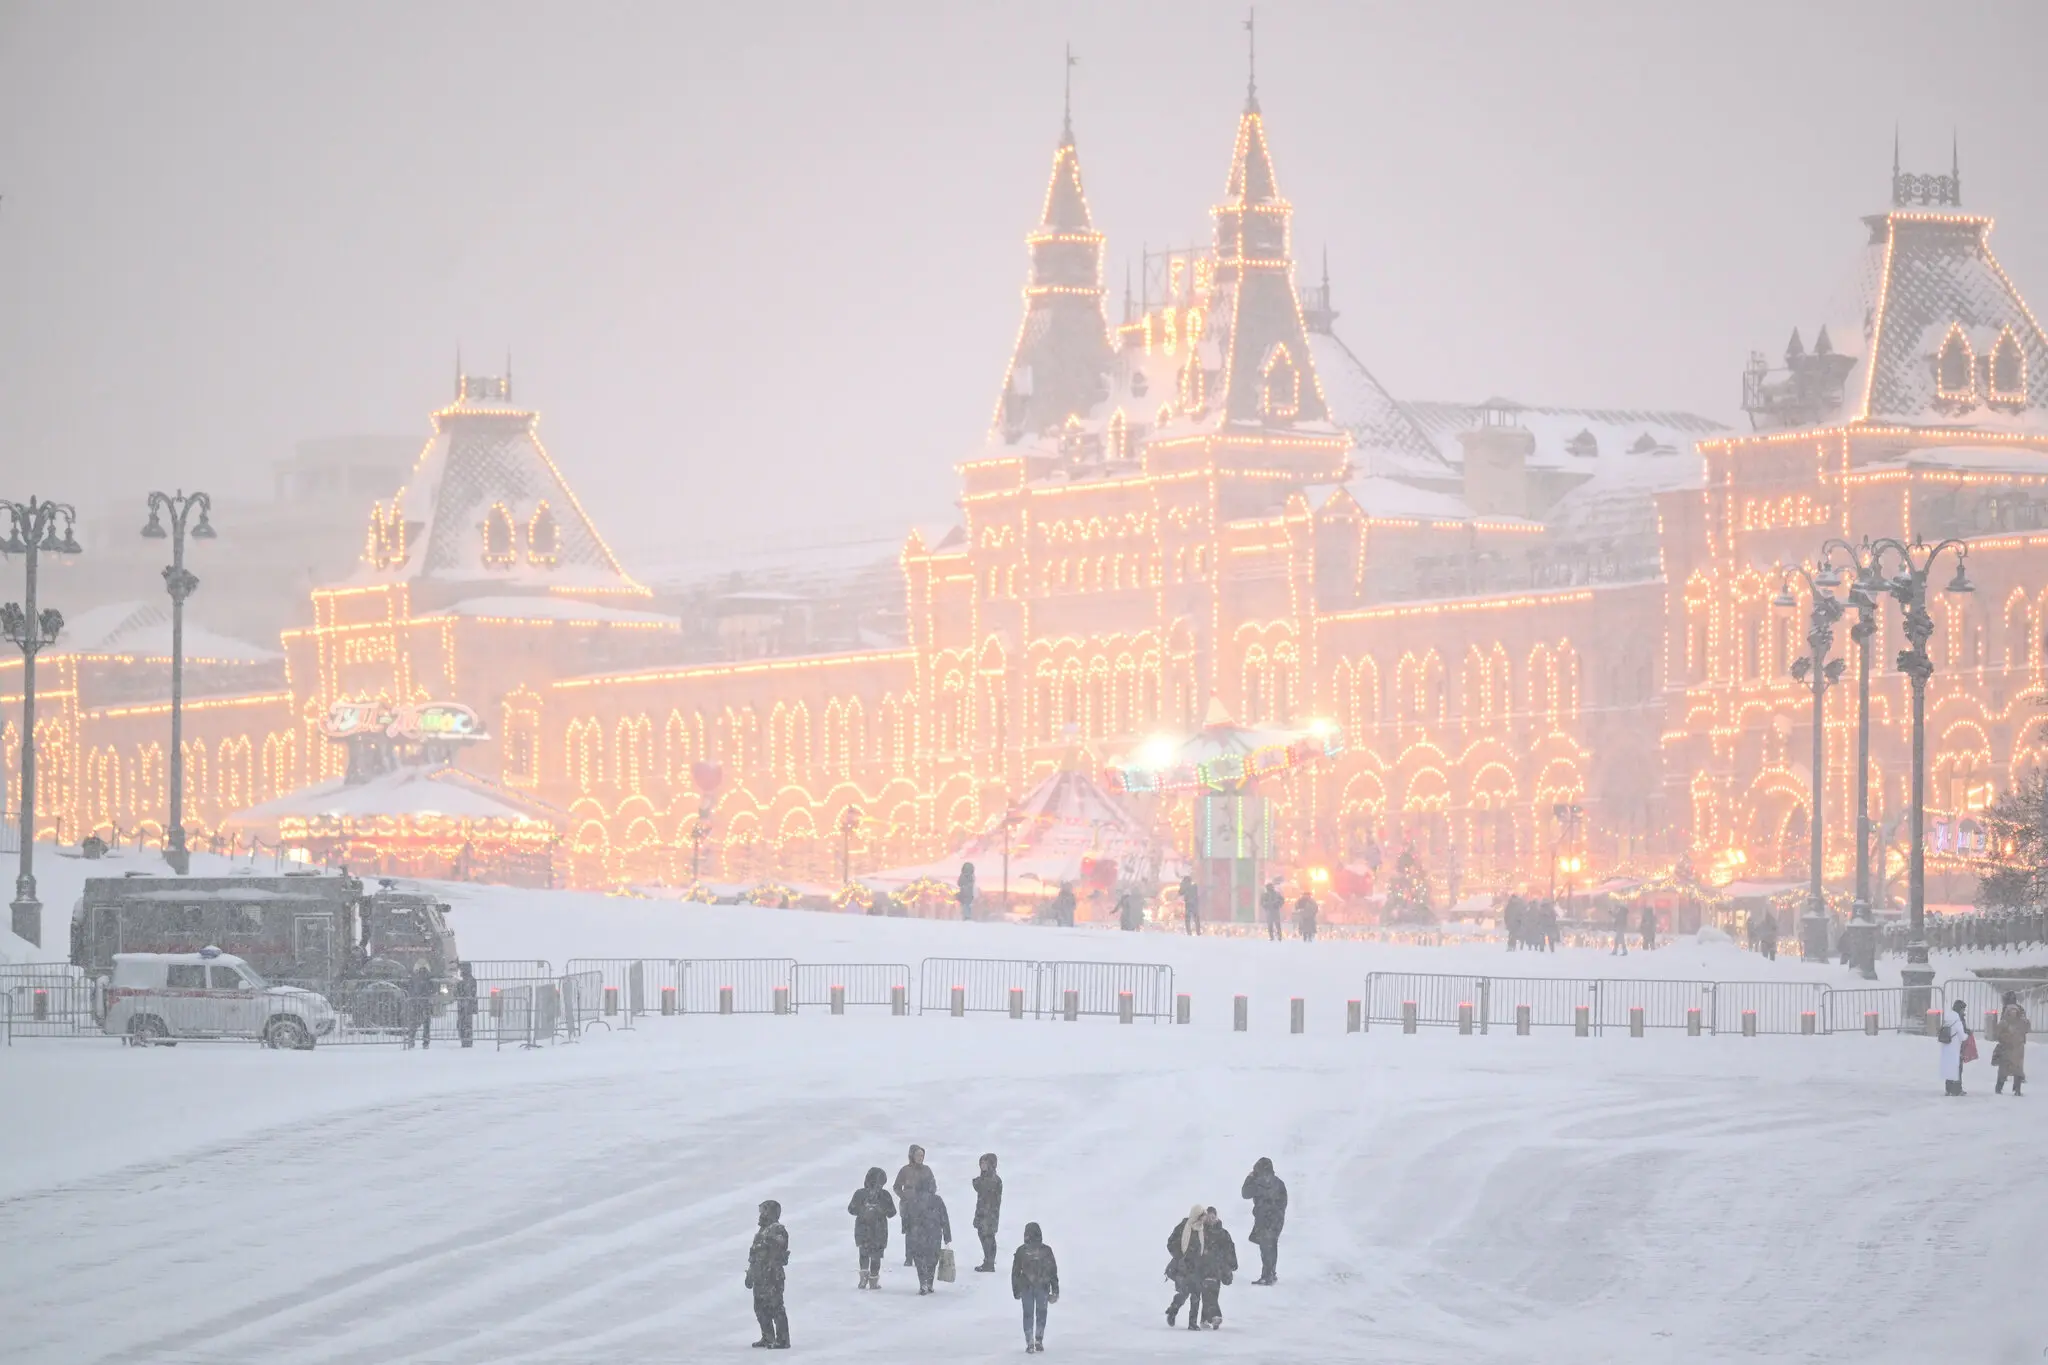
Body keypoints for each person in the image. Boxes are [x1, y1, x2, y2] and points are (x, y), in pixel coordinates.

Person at [745, 1198, 790, 1349]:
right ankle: (768, 1336)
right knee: (760, 1307)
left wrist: (770, 1242)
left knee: (776, 1306)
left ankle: (783, 1340)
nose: (761, 1214)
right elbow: (754, 1255)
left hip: (772, 1275)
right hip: (759, 1275)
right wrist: (750, 1274)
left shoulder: (777, 1229)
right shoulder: (760, 1232)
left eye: (764, 1211)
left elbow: (780, 1247)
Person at [1011, 1221, 1059, 1354]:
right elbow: (1052, 1271)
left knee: (1028, 1315)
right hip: (1043, 1287)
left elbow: (1015, 1272)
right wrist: (1055, 1290)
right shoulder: (1046, 1250)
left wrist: (1016, 1289)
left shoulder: (1021, 1251)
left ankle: (1029, 1341)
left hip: (1026, 1287)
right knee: (1041, 1313)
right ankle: (1039, 1339)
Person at [1240, 1156, 1288, 1285]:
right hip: (1277, 1219)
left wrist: (1249, 1178)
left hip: (1264, 1218)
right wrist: (1279, 1213)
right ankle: (1271, 1273)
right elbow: (1284, 1200)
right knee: (1272, 1246)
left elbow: (1245, 1193)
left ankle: (1267, 1275)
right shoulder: (1279, 1183)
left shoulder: (1258, 1182)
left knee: (1266, 1247)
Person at [847, 1166, 896, 1289]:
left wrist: (862, 1210)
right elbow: (892, 1213)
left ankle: (863, 1276)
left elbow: (851, 1209)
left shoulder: (860, 1193)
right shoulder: (885, 1195)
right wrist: (881, 1210)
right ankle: (873, 1279)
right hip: (879, 1230)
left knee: (863, 1252)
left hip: (862, 1229)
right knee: (876, 1255)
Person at [1164, 1203, 1206, 1330]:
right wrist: (1179, 1256)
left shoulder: (1202, 1230)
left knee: (1196, 1295)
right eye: (1201, 1216)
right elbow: (1170, 1243)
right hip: (1183, 1266)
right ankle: (1173, 1310)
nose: (1203, 1219)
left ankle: (1192, 1323)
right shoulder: (1183, 1227)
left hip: (1196, 1267)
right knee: (1184, 1293)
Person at [904, 1184, 952, 1294]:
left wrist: (907, 1230)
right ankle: (929, 1282)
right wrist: (947, 1235)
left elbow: (906, 1216)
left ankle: (923, 1283)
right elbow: (944, 1217)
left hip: (917, 1234)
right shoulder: (937, 1200)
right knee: (932, 1259)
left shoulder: (912, 1200)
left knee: (919, 1259)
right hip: (934, 1234)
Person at [1195, 1206, 1238, 1329]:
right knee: (1209, 1291)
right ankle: (1215, 1316)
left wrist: (1230, 1265)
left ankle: (1205, 1319)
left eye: (1213, 1217)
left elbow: (1230, 1249)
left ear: (1216, 1217)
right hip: (1203, 1268)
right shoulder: (1200, 1231)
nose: (1211, 1220)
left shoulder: (1223, 1233)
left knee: (1212, 1293)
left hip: (1217, 1268)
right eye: (1208, 1217)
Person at [894, 1145, 936, 1266]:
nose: (920, 1157)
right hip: (909, 1206)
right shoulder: (905, 1170)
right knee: (910, 1232)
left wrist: (928, 1197)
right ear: (912, 1156)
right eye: (917, 1155)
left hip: (924, 1206)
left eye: (922, 1155)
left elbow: (933, 1186)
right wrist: (904, 1197)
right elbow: (897, 1186)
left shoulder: (927, 1170)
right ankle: (909, 1257)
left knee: (923, 1232)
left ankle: (921, 1255)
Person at [971, 1152, 1003, 1272]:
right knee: (984, 1236)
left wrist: (977, 1181)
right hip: (984, 1211)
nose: (982, 1166)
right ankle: (988, 1260)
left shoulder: (993, 1179)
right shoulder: (986, 1178)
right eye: (981, 1163)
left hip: (989, 1213)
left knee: (988, 1237)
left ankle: (989, 1262)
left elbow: (981, 1187)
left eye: (985, 1163)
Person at [1993, 991, 2029, 1096]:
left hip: (2010, 1047)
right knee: (2016, 1068)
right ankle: (2015, 1089)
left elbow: (1998, 1032)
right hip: (2016, 1047)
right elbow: (2026, 1028)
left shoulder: (2007, 1014)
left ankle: (2001, 1088)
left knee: (2006, 1069)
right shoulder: (2020, 1014)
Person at [1939, 997, 1975, 1096]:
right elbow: (1962, 1037)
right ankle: (1956, 1089)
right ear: (1960, 1009)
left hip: (1946, 1047)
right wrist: (1968, 1034)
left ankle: (1948, 1088)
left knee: (1949, 1067)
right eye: (1963, 1009)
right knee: (1957, 1068)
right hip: (1956, 1048)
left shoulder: (1948, 1018)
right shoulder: (1958, 1020)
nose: (1964, 1011)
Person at [404, 962, 436, 1049]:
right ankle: (425, 1042)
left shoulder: (414, 978)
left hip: (415, 1003)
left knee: (413, 1023)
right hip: (425, 1004)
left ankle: (411, 1041)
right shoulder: (429, 979)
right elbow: (432, 990)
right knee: (426, 1024)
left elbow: (409, 989)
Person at [454, 961, 477, 1048]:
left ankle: (465, 1041)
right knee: (466, 1024)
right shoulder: (471, 980)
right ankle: (466, 1040)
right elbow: (473, 993)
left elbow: (459, 993)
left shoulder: (463, 981)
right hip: (466, 1005)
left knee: (463, 1024)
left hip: (464, 1005)